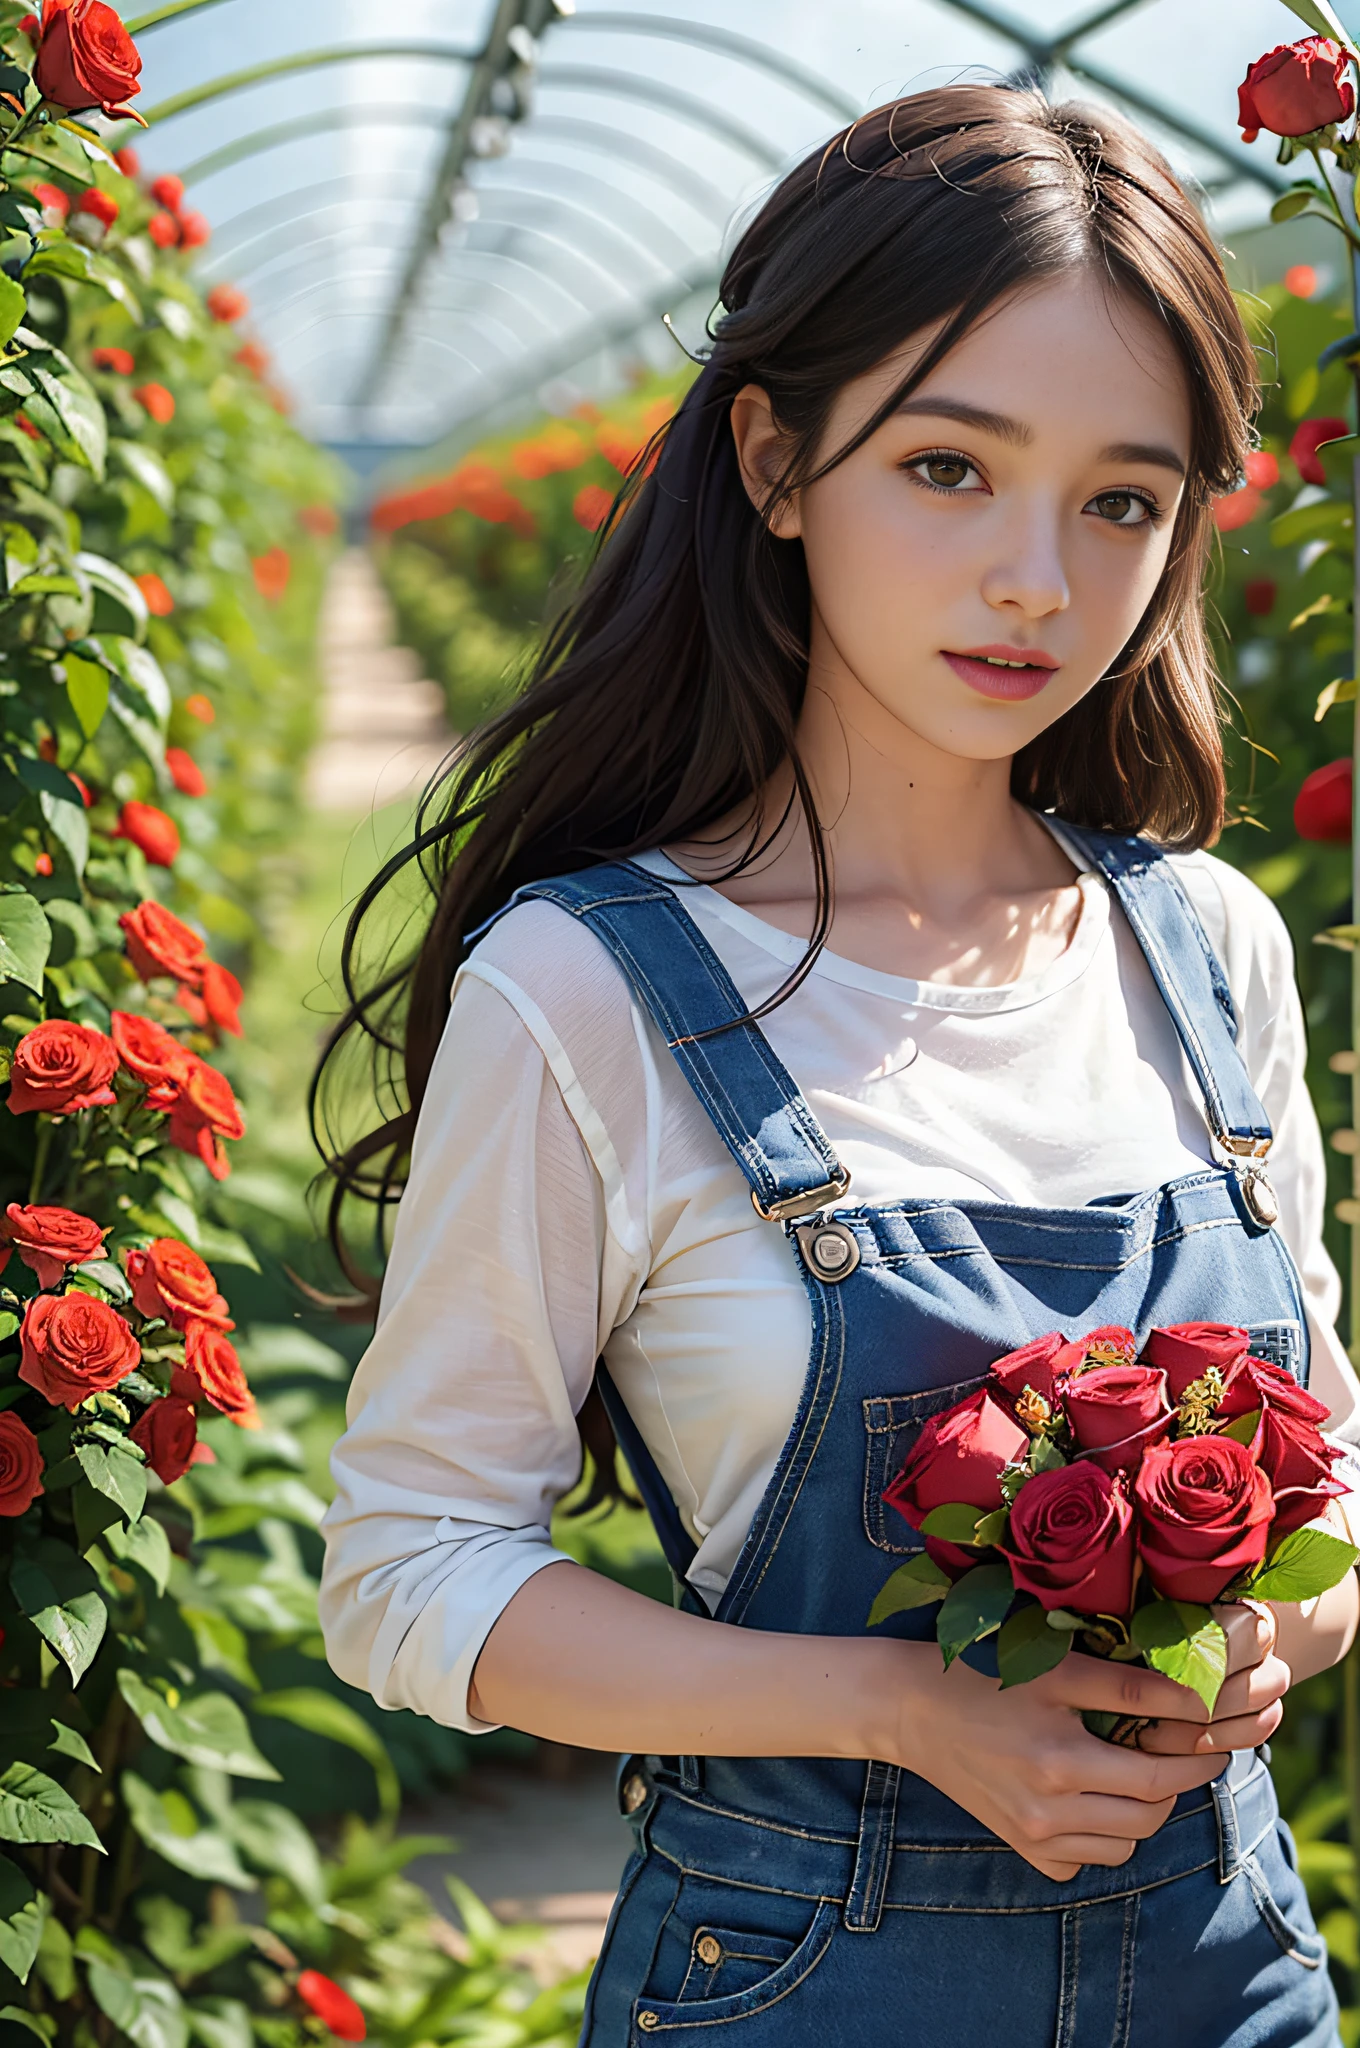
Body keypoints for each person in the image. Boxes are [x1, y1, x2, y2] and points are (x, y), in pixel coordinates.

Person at [318, 85, 1360, 2045]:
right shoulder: (594, 989)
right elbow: (408, 1569)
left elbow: (1337, 1449)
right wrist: (896, 1702)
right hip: (796, 1983)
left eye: (1118, 500)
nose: (1035, 580)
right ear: (775, 458)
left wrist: (1259, 1617)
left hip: (1228, 1972)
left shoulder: (1203, 949)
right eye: (950, 468)